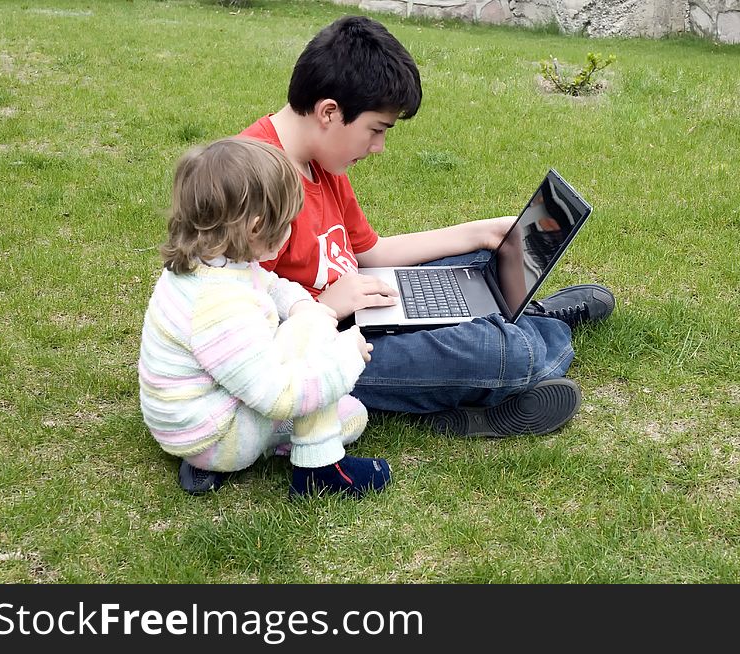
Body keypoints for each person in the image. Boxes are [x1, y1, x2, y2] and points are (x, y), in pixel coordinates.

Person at [232, 15, 617, 439]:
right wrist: (327, 306)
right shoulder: (252, 183)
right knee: (511, 355)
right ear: (329, 112)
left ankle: (513, 316)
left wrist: (480, 232)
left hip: (367, 299)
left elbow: (371, 253)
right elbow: (239, 339)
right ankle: (531, 332)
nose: (378, 147)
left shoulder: (321, 161)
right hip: (323, 350)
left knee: (484, 261)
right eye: (376, 130)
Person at [138, 137, 391, 498]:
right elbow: (278, 396)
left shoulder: (211, 264)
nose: (291, 230)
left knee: (351, 414)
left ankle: (278, 445)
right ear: (257, 228)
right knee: (312, 336)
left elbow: (269, 284)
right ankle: (319, 471)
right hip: (211, 436)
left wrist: (303, 305)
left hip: (198, 419)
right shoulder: (219, 305)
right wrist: (343, 357)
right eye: (289, 222)